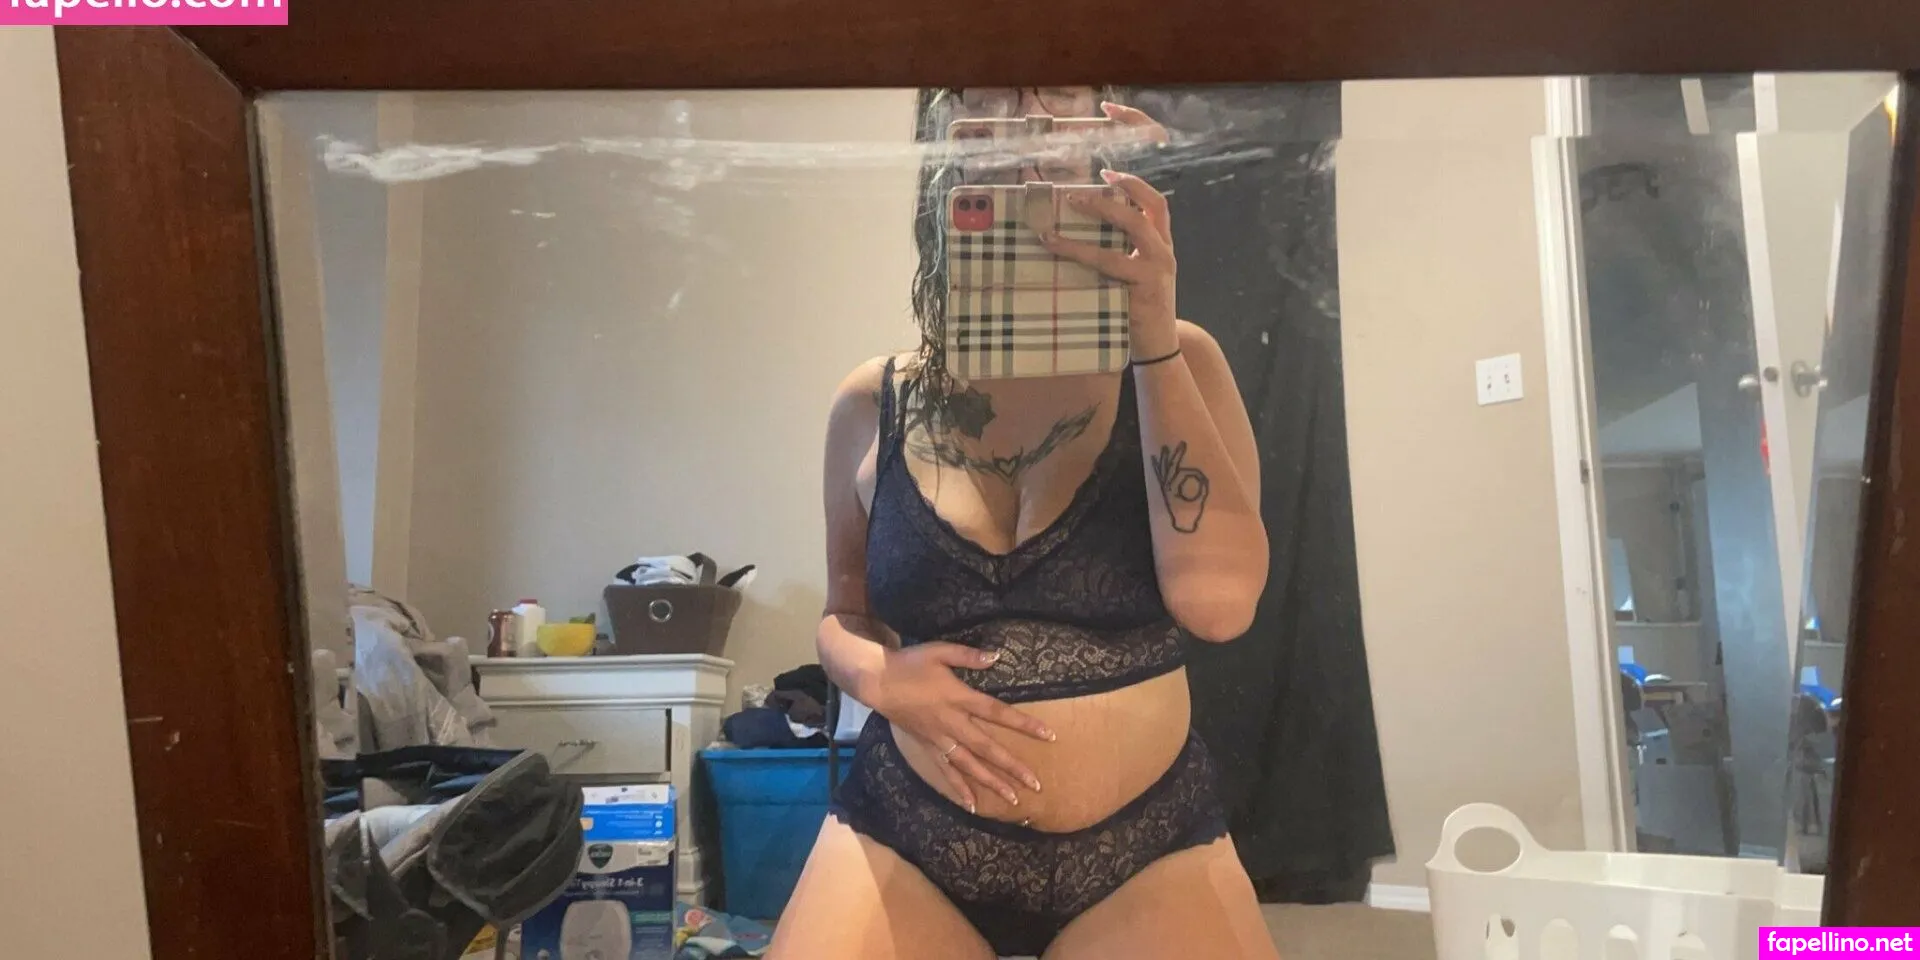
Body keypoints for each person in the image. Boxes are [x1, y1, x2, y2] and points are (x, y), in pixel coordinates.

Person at [768, 87, 1278, 960]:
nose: (1025, 127)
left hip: (1146, 846)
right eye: (989, 98)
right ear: (943, 160)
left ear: (1106, 143)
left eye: (1056, 98)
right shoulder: (874, 399)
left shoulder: (1182, 360)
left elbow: (1220, 608)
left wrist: (1152, 338)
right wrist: (878, 677)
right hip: (908, 834)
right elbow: (843, 613)